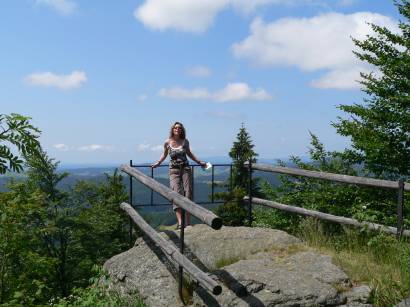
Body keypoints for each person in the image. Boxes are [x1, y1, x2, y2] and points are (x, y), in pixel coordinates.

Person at [151, 122, 206, 229]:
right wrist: (158, 162)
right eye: (175, 128)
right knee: (176, 194)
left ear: (182, 130)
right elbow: (164, 154)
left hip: (185, 169)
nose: (177, 129)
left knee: (188, 194)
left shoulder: (185, 142)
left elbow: (189, 153)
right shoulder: (167, 142)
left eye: (179, 128)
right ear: (172, 129)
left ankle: (188, 223)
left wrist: (199, 162)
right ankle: (181, 223)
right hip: (174, 170)